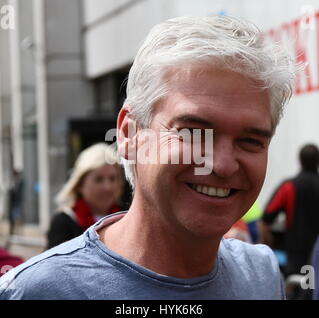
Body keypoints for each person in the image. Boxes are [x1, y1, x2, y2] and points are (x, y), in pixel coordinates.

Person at [0, 15, 295, 299]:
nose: (222, 164)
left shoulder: (260, 274)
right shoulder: (37, 291)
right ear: (129, 135)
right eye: (193, 132)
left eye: (250, 141)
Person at [47, 143, 124, 248]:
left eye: (112, 178)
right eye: (99, 179)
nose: (108, 187)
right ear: (80, 184)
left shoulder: (125, 217)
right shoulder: (64, 222)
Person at [260, 144, 319, 277]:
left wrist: (266, 243)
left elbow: (266, 218)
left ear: (300, 161)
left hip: (295, 259)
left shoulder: (289, 186)